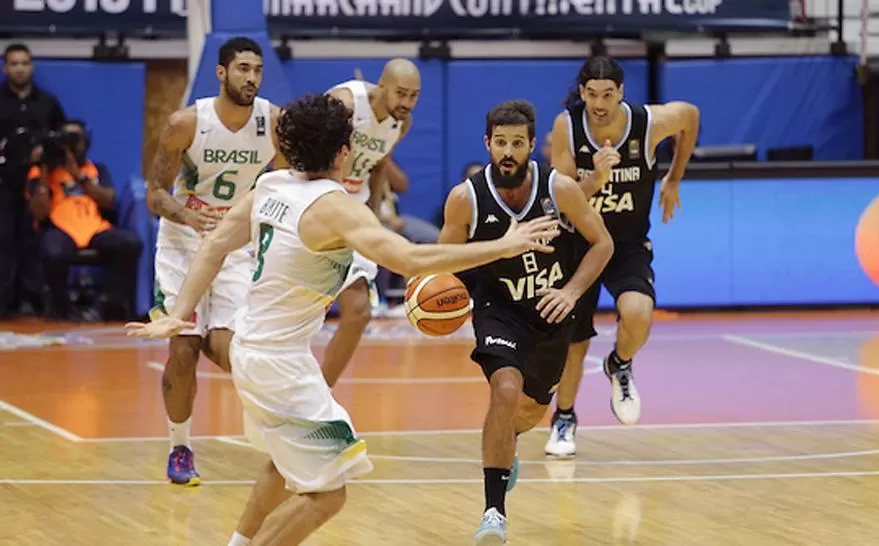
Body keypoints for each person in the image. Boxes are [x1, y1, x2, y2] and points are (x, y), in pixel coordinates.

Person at [124, 92, 561, 546]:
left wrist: (179, 314)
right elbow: (410, 258)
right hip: (279, 366)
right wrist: (503, 246)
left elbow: (214, 246)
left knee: (284, 464)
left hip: (255, 350)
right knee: (327, 495)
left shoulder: (270, 186)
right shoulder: (334, 206)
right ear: (343, 152)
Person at [437, 100, 613, 544]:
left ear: (533, 146)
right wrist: (440, 297)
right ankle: (493, 512)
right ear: (487, 144)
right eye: (500, 143)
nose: (508, 152)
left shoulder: (560, 190)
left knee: (530, 412)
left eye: (518, 143)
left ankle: (507, 439)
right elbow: (442, 263)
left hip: (552, 311)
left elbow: (603, 244)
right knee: (506, 389)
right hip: (500, 310)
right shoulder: (466, 199)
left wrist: (571, 291)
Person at [145, 37, 286, 486]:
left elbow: (284, 183)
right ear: (222, 73)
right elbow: (155, 195)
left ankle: (285, 437)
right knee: (183, 347)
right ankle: (180, 446)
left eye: (257, 70)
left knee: (234, 350)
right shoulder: (186, 123)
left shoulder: (273, 122)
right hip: (183, 243)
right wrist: (189, 216)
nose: (252, 78)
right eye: (243, 68)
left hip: (235, 245)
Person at [544, 55, 700, 458]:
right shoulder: (567, 127)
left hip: (627, 242)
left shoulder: (647, 123)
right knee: (574, 344)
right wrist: (596, 177)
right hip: (579, 243)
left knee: (639, 312)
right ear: (582, 93)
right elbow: (563, 201)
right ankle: (564, 420)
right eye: (592, 94)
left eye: (607, 95)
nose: (599, 103)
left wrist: (673, 177)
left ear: (621, 93)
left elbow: (690, 115)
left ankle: (620, 363)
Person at [318, 59, 421, 386]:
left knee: (359, 311)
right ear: (381, 86)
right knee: (300, 315)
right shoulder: (344, 103)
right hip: (318, 206)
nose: (406, 103)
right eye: (401, 93)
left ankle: (321, 393)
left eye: (414, 96)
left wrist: (374, 222)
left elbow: (378, 167)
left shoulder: (400, 124)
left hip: (355, 211)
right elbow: (307, 152)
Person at [26, 119, 143, 321]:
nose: (70, 145)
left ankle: (110, 303)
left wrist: (78, 175)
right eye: (65, 139)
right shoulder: (41, 172)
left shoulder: (95, 169)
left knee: (130, 243)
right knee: (54, 251)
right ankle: (61, 307)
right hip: (59, 228)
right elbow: (38, 213)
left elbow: (109, 201)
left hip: (94, 228)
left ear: (85, 142)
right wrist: (44, 174)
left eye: (75, 139)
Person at [0, 43, 67, 318]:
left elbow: (61, 140)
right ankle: (4, 300)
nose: (19, 68)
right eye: (13, 63)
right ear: (5, 68)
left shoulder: (47, 102)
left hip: (38, 185)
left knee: (32, 241)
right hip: (3, 184)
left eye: (24, 63)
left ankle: (31, 299)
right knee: (3, 240)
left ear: (32, 66)